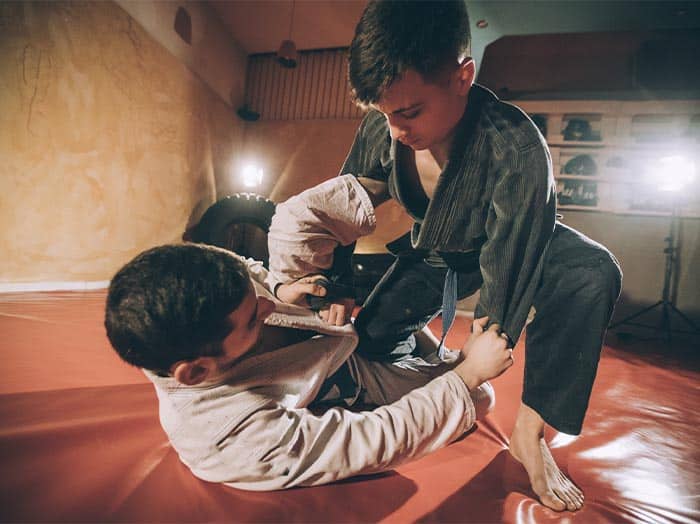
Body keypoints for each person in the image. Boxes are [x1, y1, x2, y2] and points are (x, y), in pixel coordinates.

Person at [266, 0, 622, 512]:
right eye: (384, 114)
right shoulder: (382, 130)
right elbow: (341, 208)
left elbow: (510, 252)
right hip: (439, 246)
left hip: (526, 239)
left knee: (591, 272)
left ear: (463, 77)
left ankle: (531, 432)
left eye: (409, 112)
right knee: (368, 341)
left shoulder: (515, 145)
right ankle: (426, 358)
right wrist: (335, 287)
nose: (395, 129)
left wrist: (490, 333)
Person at [104, 243, 513, 491]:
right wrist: (466, 374)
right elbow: (372, 440)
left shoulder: (206, 284)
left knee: (428, 261)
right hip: (353, 382)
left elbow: (248, 269)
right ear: (195, 372)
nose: (267, 308)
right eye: (252, 319)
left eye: (259, 299)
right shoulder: (228, 439)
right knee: (481, 397)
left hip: (339, 336)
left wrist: (282, 289)